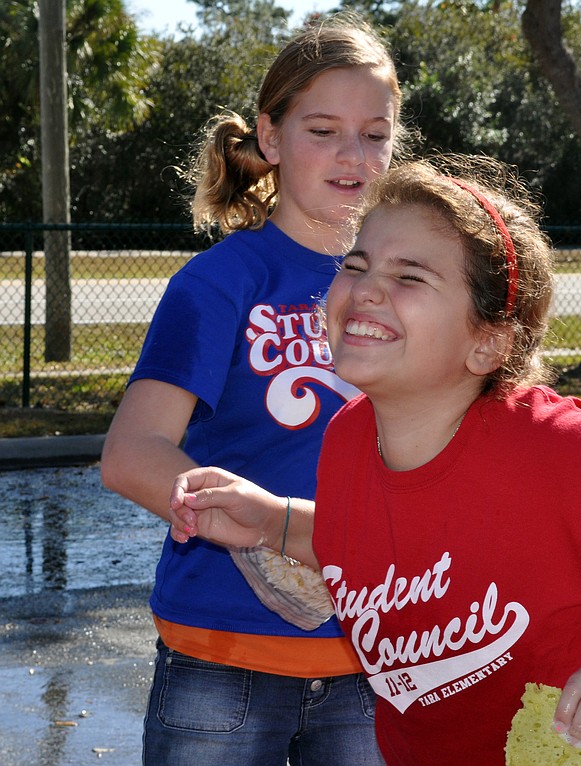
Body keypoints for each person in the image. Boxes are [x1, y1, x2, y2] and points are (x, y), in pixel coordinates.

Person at [166, 157, 581, 765]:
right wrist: (274, 521)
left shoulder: (566, 450)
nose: (367, 286)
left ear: (487, 342)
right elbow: (390, 551)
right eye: (356, 263)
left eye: (410, 275)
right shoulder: (349, 436)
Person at [100, 14, 407, 765]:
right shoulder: (221, 283)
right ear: (270, 138)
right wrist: (261, 528)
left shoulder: (413, 284)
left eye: (374, 134)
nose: (352, 155)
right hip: (224, 658)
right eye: (324, 129)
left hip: (381, 658)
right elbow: (132, 456)